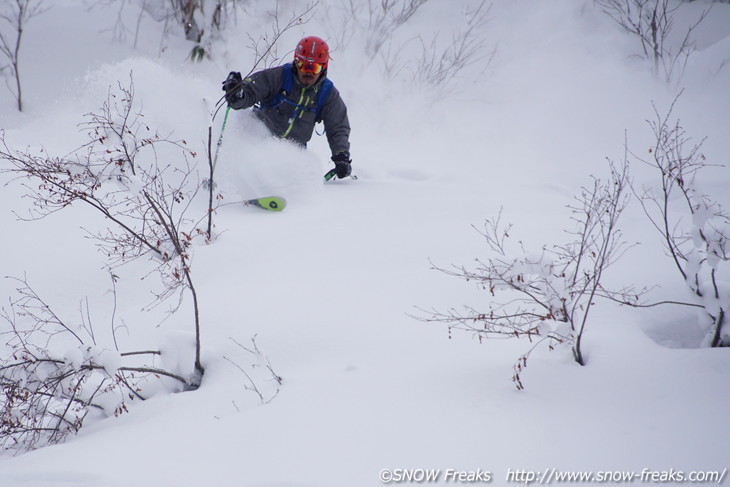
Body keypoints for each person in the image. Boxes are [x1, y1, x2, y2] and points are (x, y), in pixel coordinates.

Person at [222, 36, 352, 179]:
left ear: (323, 68)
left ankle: (291, 194)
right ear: (296, 62)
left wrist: (341, 156)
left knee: (303, 173)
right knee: (255, 163)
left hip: (293, 153)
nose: (308, 72)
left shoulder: (327, 94)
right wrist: (237, 94)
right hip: (258, 141)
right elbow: (250, 92)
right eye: (303, 65)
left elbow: (338, 127)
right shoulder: (278, 77)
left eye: (314, 67)